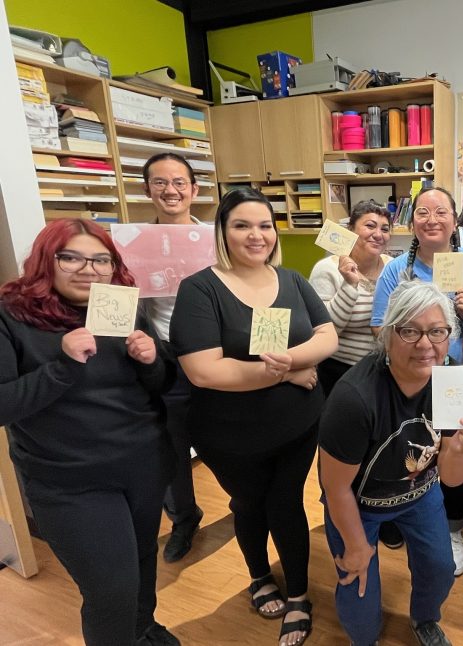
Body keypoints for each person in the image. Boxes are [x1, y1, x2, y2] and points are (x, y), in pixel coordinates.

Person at [170, 187, 338, 646]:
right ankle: (259, 576)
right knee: (247, 505)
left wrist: (297, 360)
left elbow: (327, 335)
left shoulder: (292, 280)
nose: (255, 235)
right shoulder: (199, 289)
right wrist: (287, 375)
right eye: (242, 225)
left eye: (264, 225)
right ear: (223, 231)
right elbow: (204, 371)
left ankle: (300, 595)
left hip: (299, 426)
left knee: (286, 504)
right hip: (230, 435)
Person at [0, 219, 179, 646]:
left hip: (142, 464)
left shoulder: (119, 305)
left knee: (142, 561)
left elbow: (161, 385)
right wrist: (61, 367)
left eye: (102, 260)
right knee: (110, 590)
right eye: (72, 257)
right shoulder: (13, 315)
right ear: (47, 259)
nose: (89, 269)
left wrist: (153, 359)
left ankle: (144, 631)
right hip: (69, 480)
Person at [319, 281, 463, 646]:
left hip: (419, 494)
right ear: (387, 335)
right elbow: (335, 488)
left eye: (437, 331)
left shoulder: (451, 381)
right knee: (358, 584)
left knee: (440, 569)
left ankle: (425, 619)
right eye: (410, 331)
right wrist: (355, 546)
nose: (426, 344)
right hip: (359, 504)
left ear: (449, 336)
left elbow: (452, 477)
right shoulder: (354, 398)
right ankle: (363, 639)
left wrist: (462, 451)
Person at [371, 186, 463, 575]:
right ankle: (405, 515)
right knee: (414, 453)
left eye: (441, 212)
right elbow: (378, 327)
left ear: (455, 220)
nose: (432, 220)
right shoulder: (396, 270)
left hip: (462, 378)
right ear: (413, 223)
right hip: (414, 382)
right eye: (422, 213)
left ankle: (453, 530)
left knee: (457, 451)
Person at [141, 152, 205, 563]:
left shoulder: (218, 238)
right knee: (171, 447)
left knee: (233, 439)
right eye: (161, 183)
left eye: (179, 182)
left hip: (218, 354)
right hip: (165, 356)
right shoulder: (136, 244)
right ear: (148, 190)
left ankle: (246, 505)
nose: (171, 190)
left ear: (194, 190)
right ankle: (184, 518)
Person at [309, 200, 393, 395]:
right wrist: (350, 284)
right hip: (341, 372)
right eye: (370, 226)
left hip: (385, 369)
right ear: (351, 230)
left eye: (385, 229)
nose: (378, 234)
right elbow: (326, 331)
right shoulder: (327, 269)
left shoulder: (393, 267)